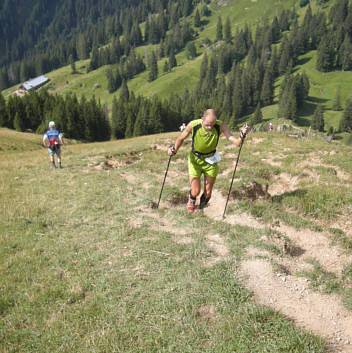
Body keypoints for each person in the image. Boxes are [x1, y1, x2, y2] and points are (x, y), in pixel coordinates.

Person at [168, 109, 248, 212]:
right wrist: (174, 149)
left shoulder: (220, 125)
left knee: (208, 192)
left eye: (212, 124)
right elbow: (181, 138)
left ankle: (201, 208)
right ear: (202, 119)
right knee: (195, 191)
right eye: (207, 125)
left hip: (211, 160)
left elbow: (236, 142)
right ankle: (191, 202)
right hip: (195, 160)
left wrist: (242, 135)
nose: (210, 127)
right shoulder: (193, 125)